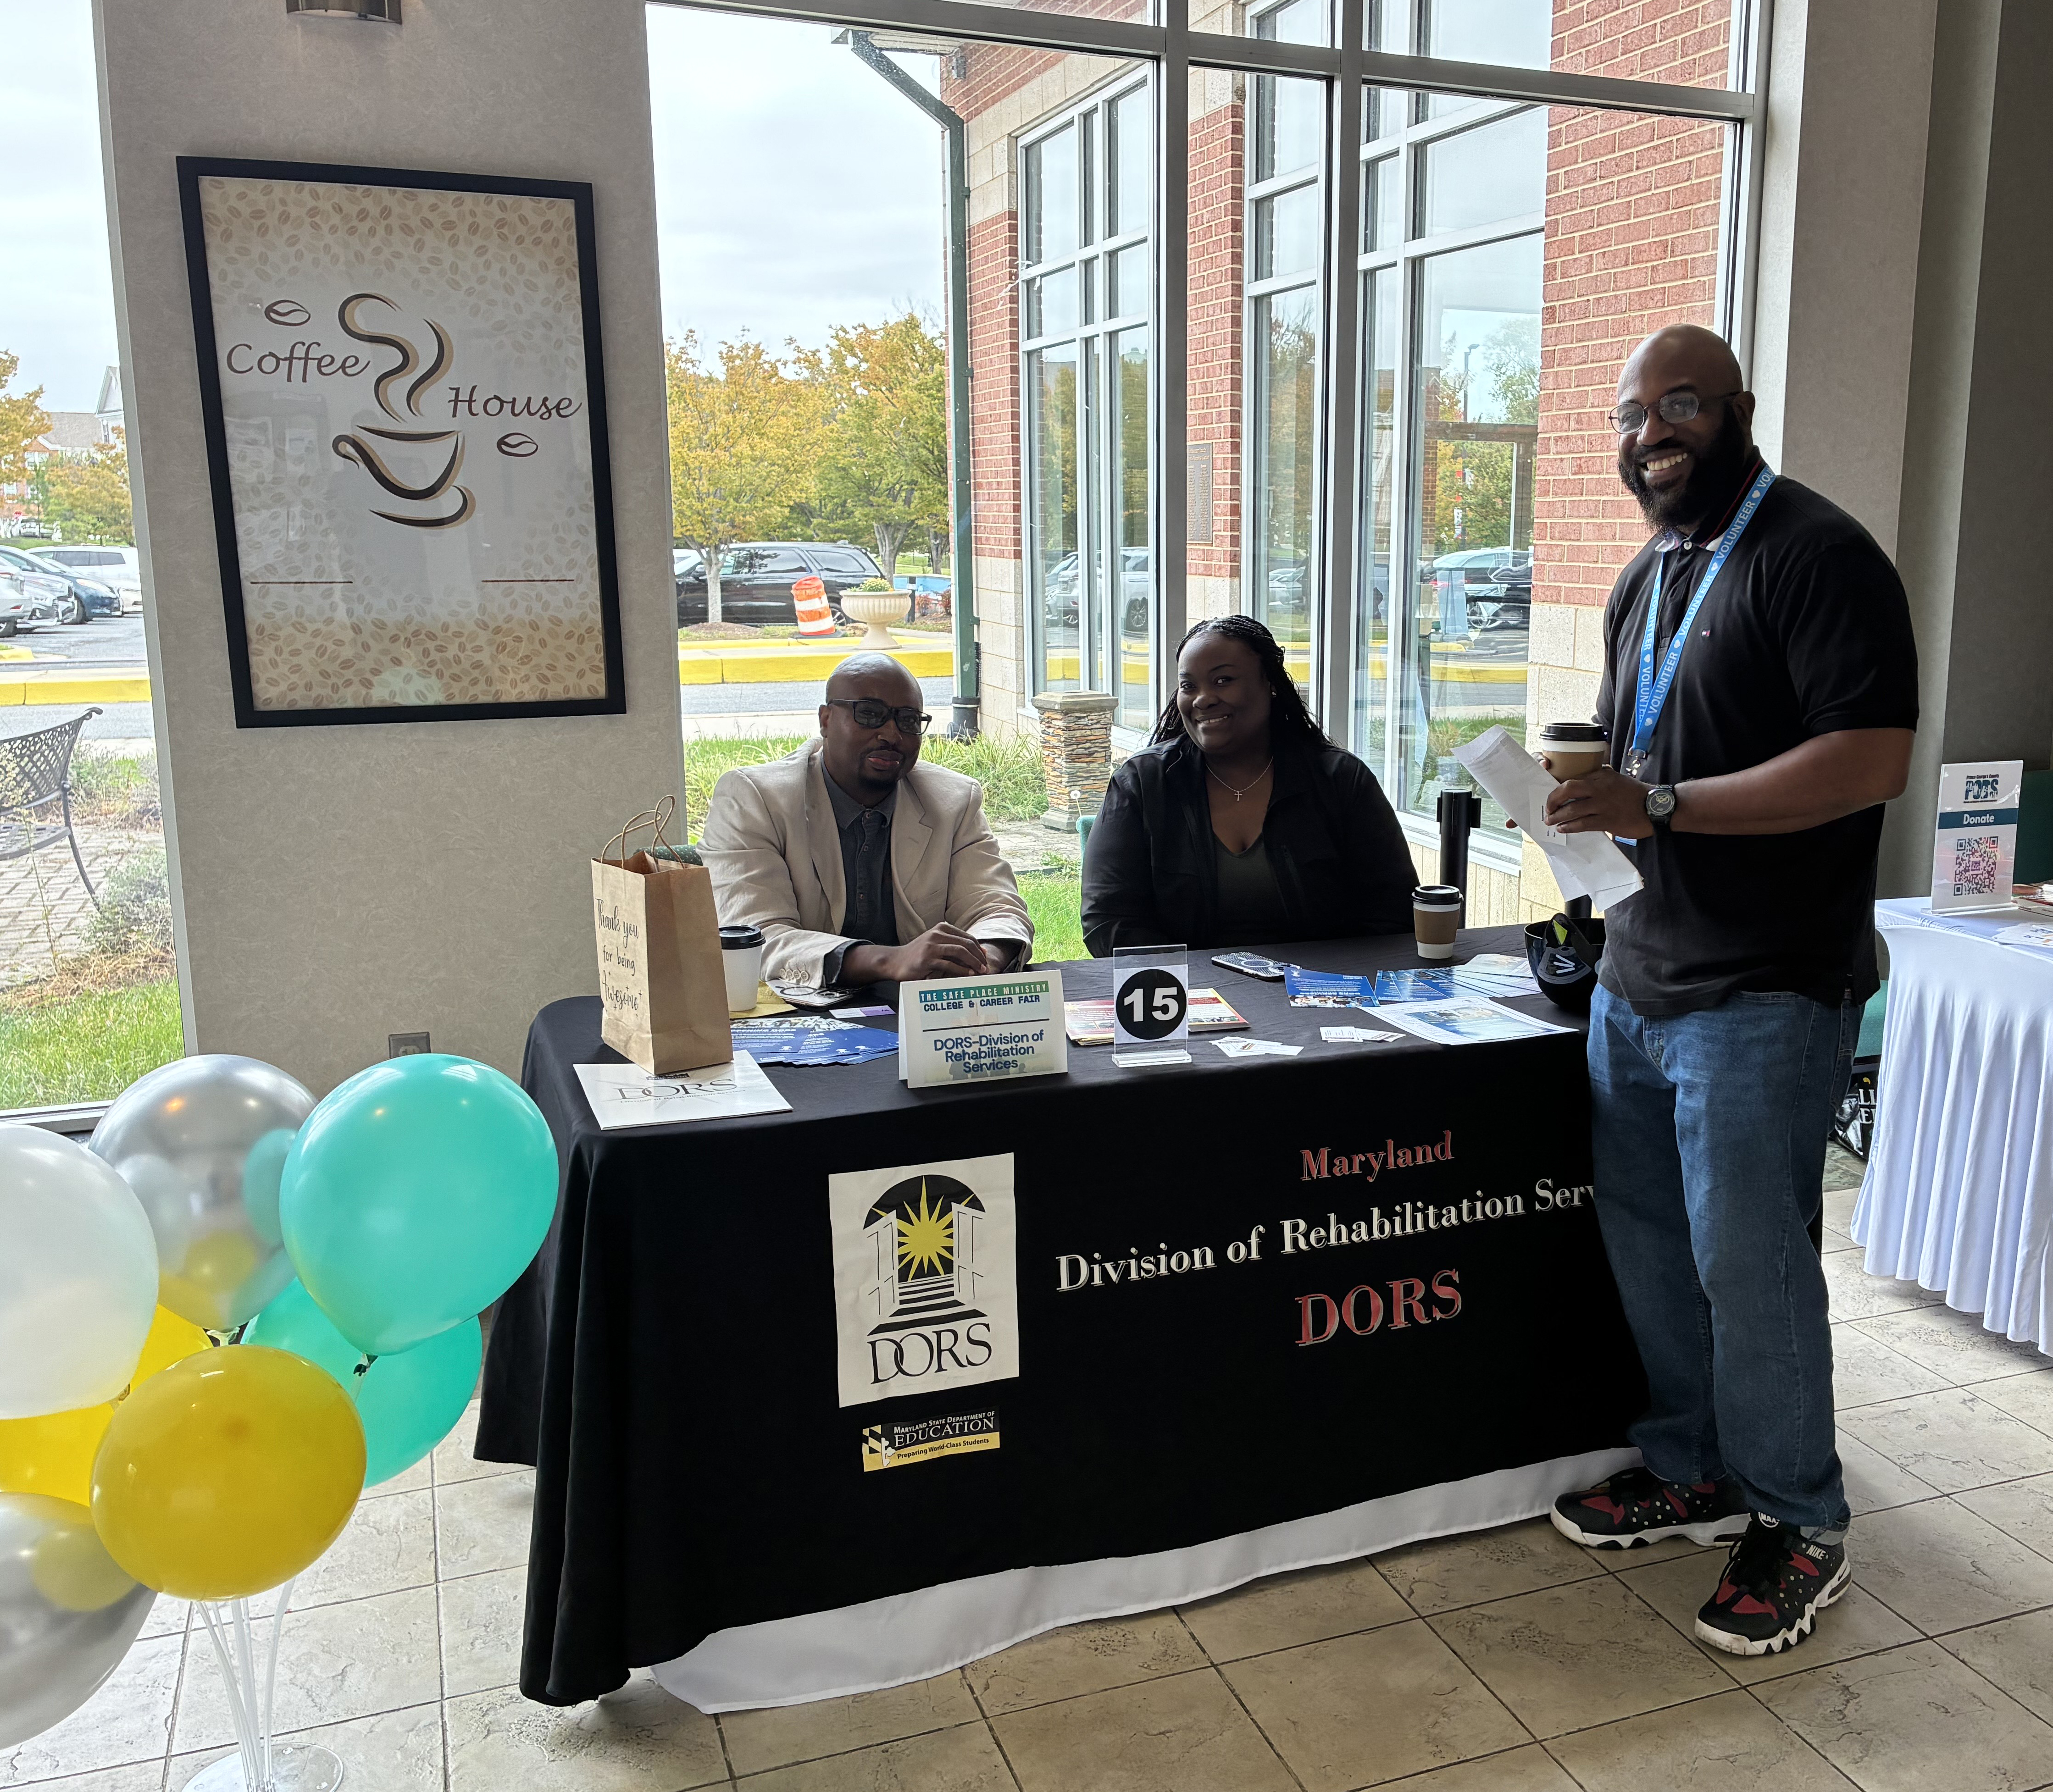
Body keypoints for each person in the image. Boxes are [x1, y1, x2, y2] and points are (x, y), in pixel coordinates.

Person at [1543, 325, 1918, 1659]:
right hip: (1641, 975)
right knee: (1654, 1248)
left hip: (1765, 991)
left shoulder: (1817, 556)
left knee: (1750, 1269)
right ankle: (1692, 1465)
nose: (1652, 433)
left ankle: (1798, 1517)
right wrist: (1583, 821)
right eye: (1631, 414)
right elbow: (1637, 753)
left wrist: (1662, 801)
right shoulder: (1649, 572)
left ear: (1738, 412)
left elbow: (1870, 757)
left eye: (1680, 406)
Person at [1081, 615, 1415, 954]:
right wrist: (1194, 987)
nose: (1203, 699)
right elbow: (1108, 921)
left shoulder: (1340, 780)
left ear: (1269, 683)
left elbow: (1394, 911)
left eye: (1223, 680)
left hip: (1321, 990)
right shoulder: (1143, 782)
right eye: (1189, 686)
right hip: (1189, 996)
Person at [699, 654, 1032, 987]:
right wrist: (890, 959)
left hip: (919, 1011)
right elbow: (757, 936)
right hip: (794, 1011)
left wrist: (984, 961)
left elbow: (997, 909)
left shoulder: (954, 800)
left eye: (908, 720)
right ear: (826, 720)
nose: (891, 734)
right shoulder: (755, 798)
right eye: (870, 715)